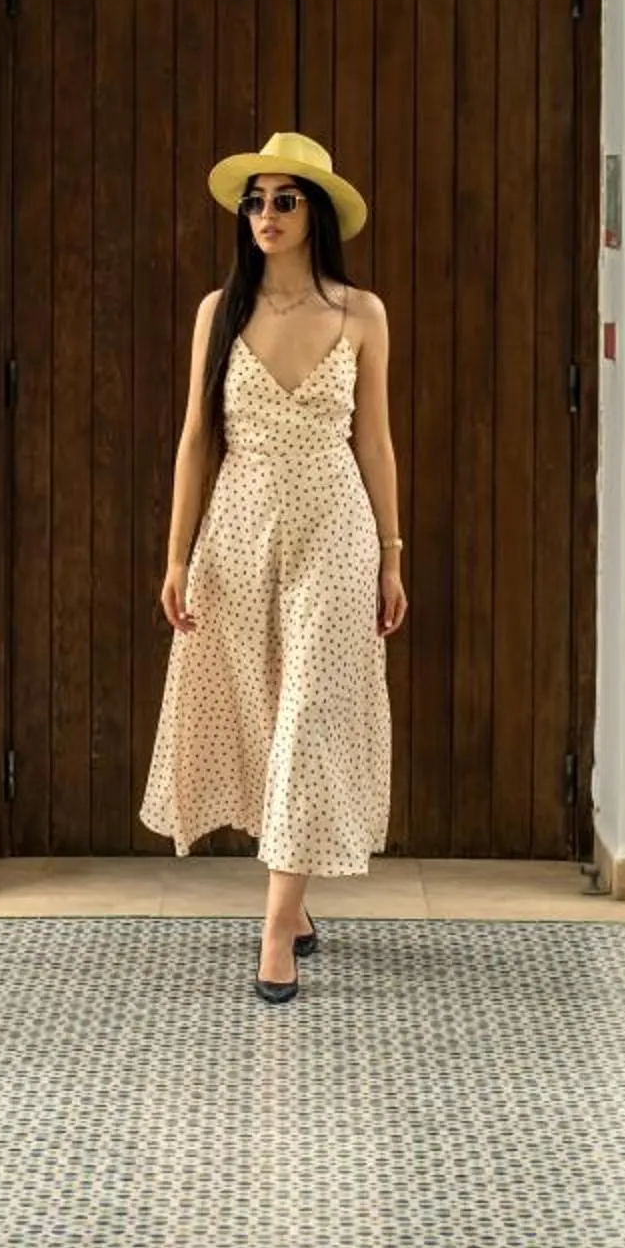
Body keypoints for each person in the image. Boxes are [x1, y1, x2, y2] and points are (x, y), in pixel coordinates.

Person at [139, 131, 406, 1004]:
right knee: (259, 714)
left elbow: (375, 443)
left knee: (309, 717)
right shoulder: (218, 311)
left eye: (285, 199)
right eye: (256, 200)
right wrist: (177, 555)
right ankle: (294, 904)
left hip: (335, 531)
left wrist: (392, 556)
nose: (266, 214)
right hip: (238, 529)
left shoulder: (361, 313)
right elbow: (195, 440)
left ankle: (273, 931)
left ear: (316, 213)